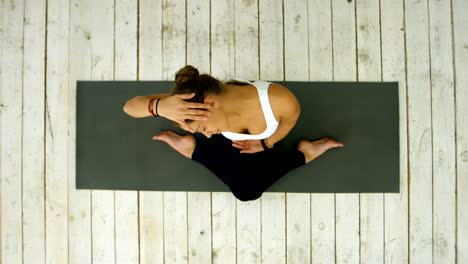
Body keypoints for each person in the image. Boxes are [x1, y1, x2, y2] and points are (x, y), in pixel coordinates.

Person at [123, 65, 344, 201]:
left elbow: (291, 119)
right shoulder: (190, 106)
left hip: (259, 141)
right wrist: (160, 107)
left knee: (248, 190)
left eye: (202, 129)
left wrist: (267, 143)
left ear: (210, 104)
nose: (208, 135)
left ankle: (303, 153)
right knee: (245, 190)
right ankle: (193, 150)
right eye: (200, 131)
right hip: (232, 140)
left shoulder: (278, 101)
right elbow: (130, 107)